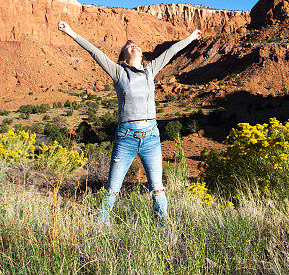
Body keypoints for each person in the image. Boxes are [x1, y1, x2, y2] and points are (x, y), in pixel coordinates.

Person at [57, 20, 201, 228]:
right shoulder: (118, 72)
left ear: (142, 55)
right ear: (124, 55)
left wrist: (190, 38)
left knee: (157, 189)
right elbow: (95, 52)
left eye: (136, 46)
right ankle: (98, 230)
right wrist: (71, 32)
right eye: (128, 47)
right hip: (126, 138)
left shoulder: (150, 70)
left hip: (151, 137)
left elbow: (171, 52)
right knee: (112, 189)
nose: (134, 47)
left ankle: (163, 232)